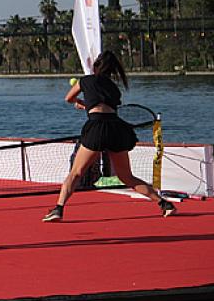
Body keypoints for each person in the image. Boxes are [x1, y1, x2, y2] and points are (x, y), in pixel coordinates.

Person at [42, 50, 176, 221]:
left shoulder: (85, 80)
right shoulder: (113, 88)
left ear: (96, 66)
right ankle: (165, 204)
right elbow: (106, 107)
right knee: (127, 177)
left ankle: (58, 209)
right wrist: (87, 105)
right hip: (116, 129)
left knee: (75, 173)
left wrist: (80, 103)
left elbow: (68, 98)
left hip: (97, 128)